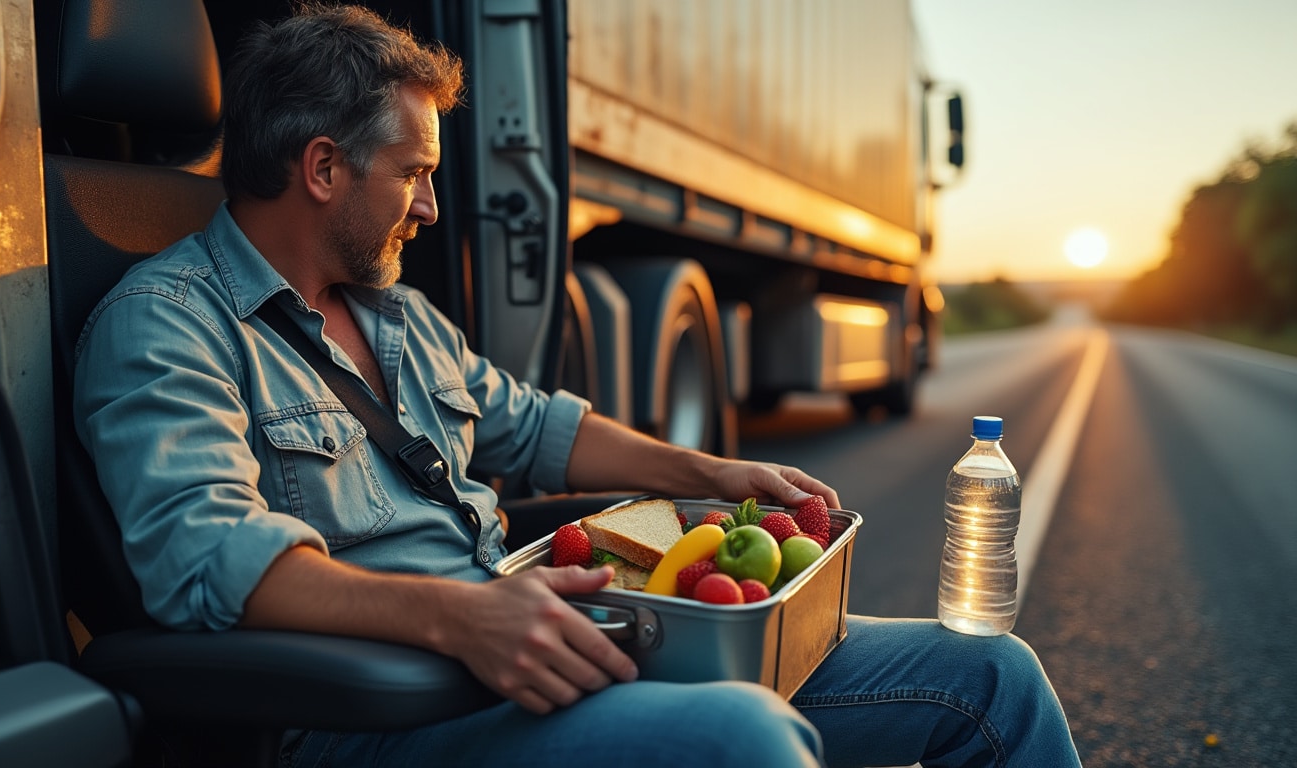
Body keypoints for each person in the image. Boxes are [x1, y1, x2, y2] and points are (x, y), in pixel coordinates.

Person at [73, 4, 1082, 766]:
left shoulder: (398, 317)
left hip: (526, 647)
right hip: (377, 711)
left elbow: (542, 431)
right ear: (325, 168)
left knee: (992, 674)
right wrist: (462, 616)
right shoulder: (164, 326)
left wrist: (720, 473)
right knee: (746, 739)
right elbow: (207, 564)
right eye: (414, 174)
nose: (431, 206)